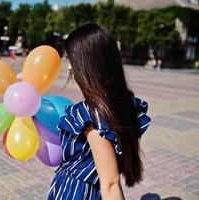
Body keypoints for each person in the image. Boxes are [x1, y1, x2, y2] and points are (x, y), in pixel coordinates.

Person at [47, 23, 151, 200]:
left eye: (71, 58)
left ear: (85, 63)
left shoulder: (91, 117)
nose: (69, 66)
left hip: (75, 192)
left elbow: (111, 184)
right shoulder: (122, 104)